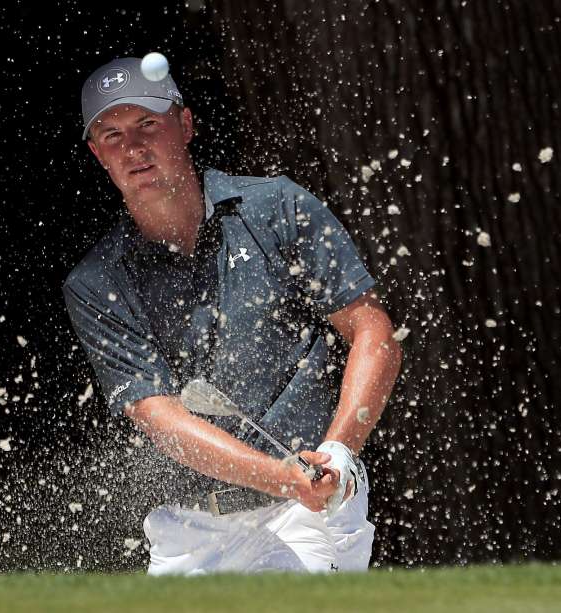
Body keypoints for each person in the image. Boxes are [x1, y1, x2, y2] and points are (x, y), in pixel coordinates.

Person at [63, 56, 402, 574]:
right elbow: (163, 420)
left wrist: (339, 451)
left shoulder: (277, 207)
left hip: (307, 511)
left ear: (185, 124)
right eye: (111, 135)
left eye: (147, 124)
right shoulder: (95, 283)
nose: (132, 149)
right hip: (188, 531)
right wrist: (279, 475)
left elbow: (373, 331)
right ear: (96, 154)